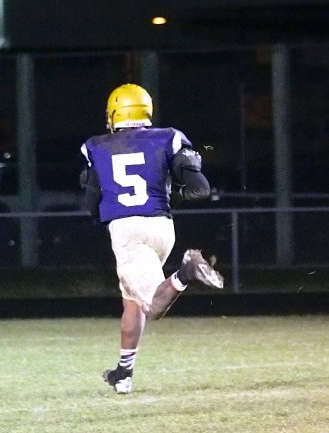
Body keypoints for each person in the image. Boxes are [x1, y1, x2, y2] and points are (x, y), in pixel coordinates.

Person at [80, 83, 224, 394]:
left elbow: (90, 204)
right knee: (132, 302)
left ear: (115, 113)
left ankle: (187, 271)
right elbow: (200, 189)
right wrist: (173, 197)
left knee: (154, 306)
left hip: (127, 231)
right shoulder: (168, 137)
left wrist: (104, 211)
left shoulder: (97, 146)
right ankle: (123, 372)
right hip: (162, 227)